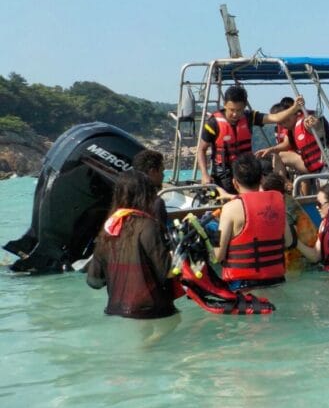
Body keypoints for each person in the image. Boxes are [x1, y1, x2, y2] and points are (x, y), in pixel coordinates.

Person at [86, 170, 178, 319]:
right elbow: (166, 272)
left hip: (115, 310)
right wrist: (177, 256)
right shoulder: (148, 226)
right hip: (152, 312)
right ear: (146, 195)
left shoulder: (109, 229)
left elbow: (94, 281)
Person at [196, 85, 304, 194]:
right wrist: (205, 175)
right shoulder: (213, 123)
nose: (235, 114)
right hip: (224, 174)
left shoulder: (249, 117)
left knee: (268, 172)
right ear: (225, 105)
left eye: (239, 110)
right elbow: (201, 150)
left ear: (244, 107)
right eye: (231, 110)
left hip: (247, 170)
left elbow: (275, 118)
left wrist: (294, 108)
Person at [215, 153, 295, 290]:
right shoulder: (278, 203)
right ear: (261, 179)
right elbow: (288, 242)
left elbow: (218, 256)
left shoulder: (229, 209)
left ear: (235, 182)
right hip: (277, 283)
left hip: (243, 288)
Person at [132, 149, 169, 230]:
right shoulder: (156, 204)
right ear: (152, 172)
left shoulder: (125, 197)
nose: (163, 176)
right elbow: (159, 238)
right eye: (161, 171)